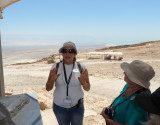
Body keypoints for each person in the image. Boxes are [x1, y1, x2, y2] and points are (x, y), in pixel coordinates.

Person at [45, 41, 90, 125]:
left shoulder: (81, 67)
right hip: (59, 108)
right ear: (62, 53)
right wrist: (51, 80)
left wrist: (83, 83)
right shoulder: (55, 67)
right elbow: (48, 88)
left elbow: (87, 88)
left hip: (77, 108)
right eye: (64, 51)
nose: (67, 54)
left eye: (70, 51)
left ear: (75, 53)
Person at [100, 60, 155, 125]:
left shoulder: (142, 101)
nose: (124, 72)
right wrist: (111, 107)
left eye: (128, 72)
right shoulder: (128, 86)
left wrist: (107, 119)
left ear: (134, 79)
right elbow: (121, 100)